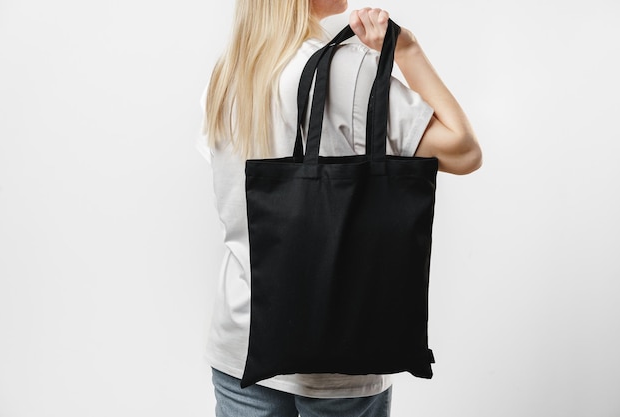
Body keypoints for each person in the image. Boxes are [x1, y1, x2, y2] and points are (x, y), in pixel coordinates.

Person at [197, 1, 482, 415]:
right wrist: (407, 51)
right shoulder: (349, 71)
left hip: (239, 341)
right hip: (340, 353)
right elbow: (465, 151)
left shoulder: (228, 74)